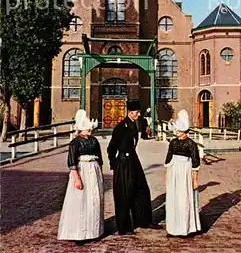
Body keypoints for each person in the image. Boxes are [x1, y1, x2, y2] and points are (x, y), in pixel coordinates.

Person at [107, 99, 156, 235]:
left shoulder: (134, 125)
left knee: (142, 189)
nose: (138, 115)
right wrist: (114, 164)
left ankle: (144, 220)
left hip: (134, 160)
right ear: (129, 112)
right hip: (123, 162)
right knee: (124, 193)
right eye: (136, 112)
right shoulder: (121, 127)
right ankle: (124, 227)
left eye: (139, 112)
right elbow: (111, 148)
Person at [58, 109, 104, 242]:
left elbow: (99, 158)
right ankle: (79, 232)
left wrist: (99, 171)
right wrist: (77, 178)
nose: (89, 132)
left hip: (93, 169)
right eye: (86, 130)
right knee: (81, 200)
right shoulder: (75, 143)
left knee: (93, 199)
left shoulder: (94, 141)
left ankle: (93, 230)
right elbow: (72, 162)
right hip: (82, 170)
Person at [164, 109, 201, 237]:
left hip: (185, 172)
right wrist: (166, 176)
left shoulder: (191, 144)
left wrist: (195, 180)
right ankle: (173, 227)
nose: (177, 133)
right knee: (174, 197)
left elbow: (195, 163)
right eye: (177, 131)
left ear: (185, 132)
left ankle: (186, 226)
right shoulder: (173, 142)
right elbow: (168, 160)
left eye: (179, 131)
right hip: (174, 171)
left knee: (184, 197)